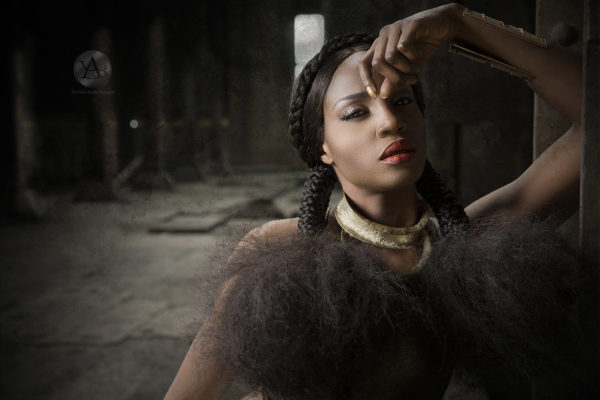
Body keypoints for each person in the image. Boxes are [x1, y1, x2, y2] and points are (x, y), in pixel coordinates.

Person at [164, 3, 583, 399]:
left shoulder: (468, 247)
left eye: (402, 101)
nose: (390, 121)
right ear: (323, 146)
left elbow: (593, 119)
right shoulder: (277, 250)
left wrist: (459, 23)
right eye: (355, 113)